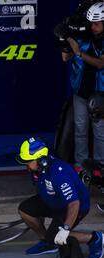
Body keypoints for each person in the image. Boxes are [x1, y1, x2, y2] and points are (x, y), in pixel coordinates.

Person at [16, 137, 104, 258]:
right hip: (54, 200)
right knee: (25, 209)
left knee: (55, 235)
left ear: (41, 160)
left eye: (28, 161)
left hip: (73, 207)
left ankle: (94, 238)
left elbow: (74, 203)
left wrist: (65, 228)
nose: (26, 165)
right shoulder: (38, 169)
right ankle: (47, 242)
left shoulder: (58, 172)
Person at [62, 2, 104, 171]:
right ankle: (81, 166)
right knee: (80, 130)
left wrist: (79, 52)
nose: (93, 27)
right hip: (80, 92)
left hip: (100, 94)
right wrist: (65, 39)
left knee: (100, 132)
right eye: (91, 23)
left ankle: (100, 167)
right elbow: (65, 58)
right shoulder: (82, 35)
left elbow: (101, 64)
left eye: (97, 24)